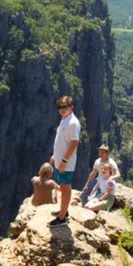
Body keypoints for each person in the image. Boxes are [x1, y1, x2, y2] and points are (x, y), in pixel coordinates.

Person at [49, 96, 81, 227]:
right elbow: (62, 141)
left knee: (66, 188)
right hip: (60, 160)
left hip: (65, 163)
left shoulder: (73, 123)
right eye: (59, 107)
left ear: (71, 107)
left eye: (64, 107)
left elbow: (74, 144)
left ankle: (62, 218)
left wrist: (64, 160)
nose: (61, 109)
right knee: (62, 186)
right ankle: (64, 211)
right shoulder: (65, 119)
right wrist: (55, 155)